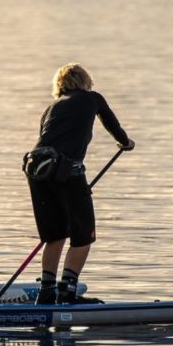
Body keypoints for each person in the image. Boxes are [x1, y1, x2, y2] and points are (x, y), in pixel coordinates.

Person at [26, 63, 134, 304]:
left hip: (36, 170)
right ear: (85, 82)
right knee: (83, 235)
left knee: (54, 236)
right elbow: (112, 124)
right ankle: (66, 292)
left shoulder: (51, 107)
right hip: (67, 171)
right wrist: (126, 143)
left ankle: (46, 293)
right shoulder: (92, 98)